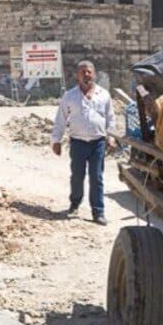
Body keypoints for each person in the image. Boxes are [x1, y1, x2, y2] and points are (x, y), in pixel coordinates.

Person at [51, 60, 116, 225]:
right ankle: (74, 204)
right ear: (77, 75)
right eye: (83, 72)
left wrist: (111, 136)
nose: (86, 75)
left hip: (98, 143)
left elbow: (110, 118)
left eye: (89, 72)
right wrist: (56, 140)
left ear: (94, 74)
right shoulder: (70, 96)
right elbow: (60, 119)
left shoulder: (104, 94)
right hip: (78, 143)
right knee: (77, 176)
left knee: (97, 177)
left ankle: (98, 212)